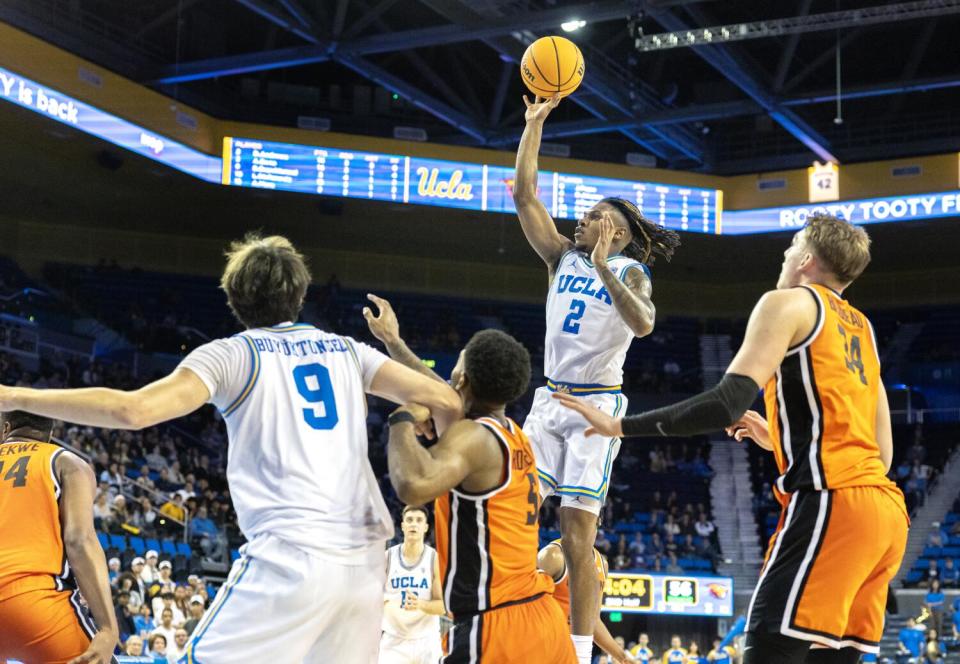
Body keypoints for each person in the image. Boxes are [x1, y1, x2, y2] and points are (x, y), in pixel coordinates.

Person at [0, 234, 462, 662]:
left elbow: (133, 411)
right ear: (300, 295)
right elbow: (444, 401)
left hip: (290, 558)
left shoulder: (231, 354)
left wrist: (14, 396)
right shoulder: (346, 349)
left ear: (233, 298)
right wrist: (408, 397)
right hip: (364, 566)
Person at [555, 214, 909, 664]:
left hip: (833, 502)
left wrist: (619, 426)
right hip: (886, 516)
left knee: (765, 644)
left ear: (805, 258)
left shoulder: (788, 303)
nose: (783, 256)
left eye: (790, 248)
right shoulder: (864, 329)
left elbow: (725, 403)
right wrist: (778, 439)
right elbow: (880, 451)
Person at [514, 93, 680, 664]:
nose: (578, 223)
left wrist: (607, 266)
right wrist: (533, 125)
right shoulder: (560, 256)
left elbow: (645, 322)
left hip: (595, 411)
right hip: (549, 398)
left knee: (577, 534)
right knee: (512, 500)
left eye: (589, 217)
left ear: (611, 228)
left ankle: (580, 651)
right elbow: (525, 194)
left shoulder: (632, 270)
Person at [366, 298, 575, 663]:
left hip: (499, 626)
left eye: (457, 366)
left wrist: (402, 418)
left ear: (462, 379)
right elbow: (446, 397)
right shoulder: (512, 435)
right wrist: (394, 344)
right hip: (542, 622)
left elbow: (412, 485)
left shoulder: (476, 439)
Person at [0, 411, 119, 664]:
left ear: (6, 428)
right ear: (51, 433)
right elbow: (79, 541)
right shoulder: (65, 462)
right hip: (32, 603)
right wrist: (108, 629)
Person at [537, 539, 634, 663]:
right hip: (549, 647)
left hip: (580, 649)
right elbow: (527, 606)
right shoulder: (553, 555)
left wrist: (623, 658)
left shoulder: (602, 563)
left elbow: (592, 620)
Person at [379, 505, 444, 664]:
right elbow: (372, 598)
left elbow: (442, 606)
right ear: (403, 526)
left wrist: (419, 604)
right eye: (409, 520)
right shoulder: (387, 558)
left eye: (419, 520)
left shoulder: (434, 559)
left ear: (426, 527)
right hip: (394, 640)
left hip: (427, 640)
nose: (414, 524)